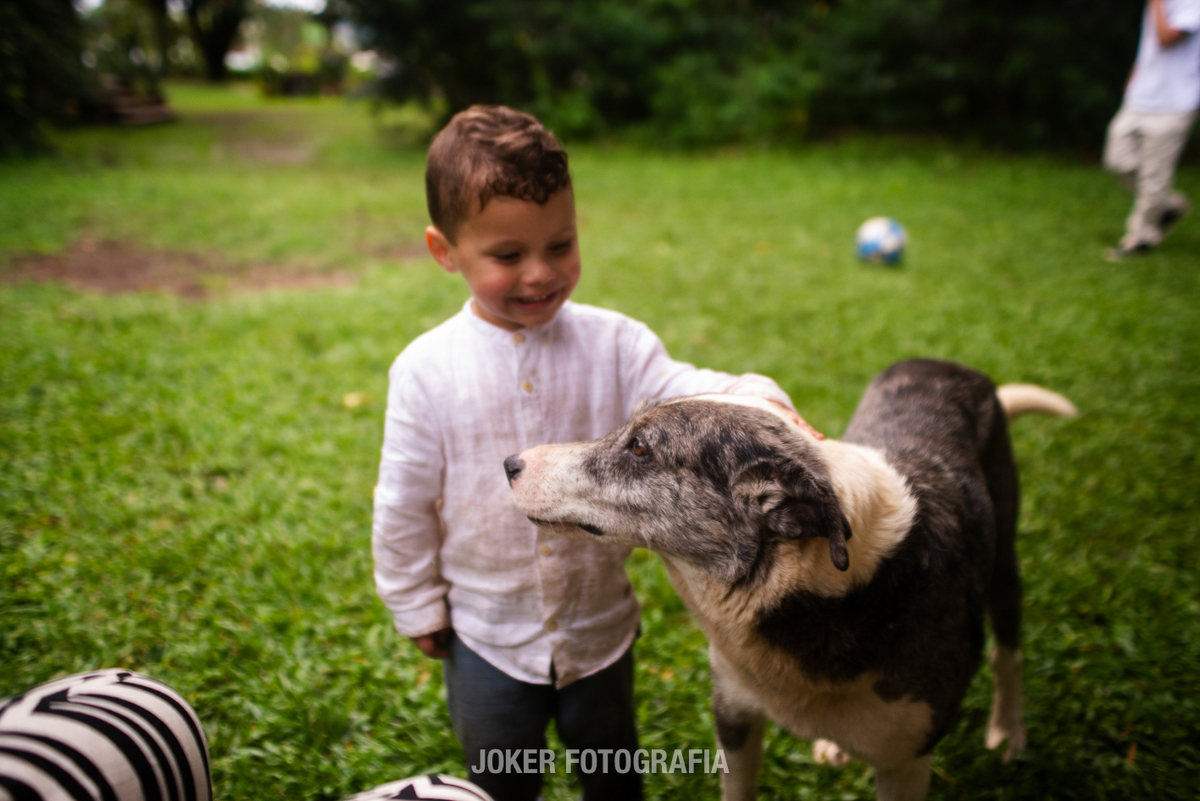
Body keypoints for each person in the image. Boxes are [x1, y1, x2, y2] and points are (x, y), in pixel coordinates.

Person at [371, 105, 814, 801]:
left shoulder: (616, 344)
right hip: (486, 631)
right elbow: (403, 500)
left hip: (599, 625)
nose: (541, 273)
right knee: (502, 777)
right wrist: (415, 603)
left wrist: (760, 400)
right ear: (444, 251)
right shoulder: (426, 370)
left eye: (562, 244)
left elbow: (687, 391)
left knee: (611, 768)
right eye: (508, 255)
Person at [1103, 0, 1200, 260]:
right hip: (1140, 98)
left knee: (1154, 178)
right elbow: (1149, 48)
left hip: (1175, 103)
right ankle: (1168, 206)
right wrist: (1134, 80)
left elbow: (1166, 38)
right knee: (1117, 160)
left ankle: (1139, 238)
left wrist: (1157, 4)